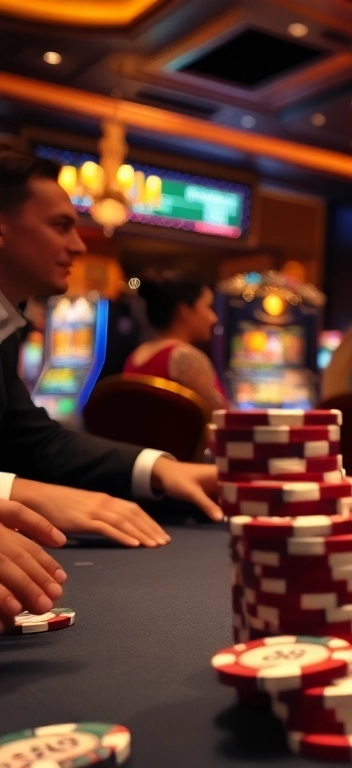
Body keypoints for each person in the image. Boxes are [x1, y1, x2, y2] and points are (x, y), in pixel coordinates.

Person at [0, 150, 223, 618]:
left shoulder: (9, 326)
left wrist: (161, 468)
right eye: (60, 226)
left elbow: (30, 439)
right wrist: (16, 491)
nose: (81, 246)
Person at [124, 270, 228, 411]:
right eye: (208, 307)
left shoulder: (136, 355)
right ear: (184, 310)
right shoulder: (184, 357)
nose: (214, 318)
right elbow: (222, 419)